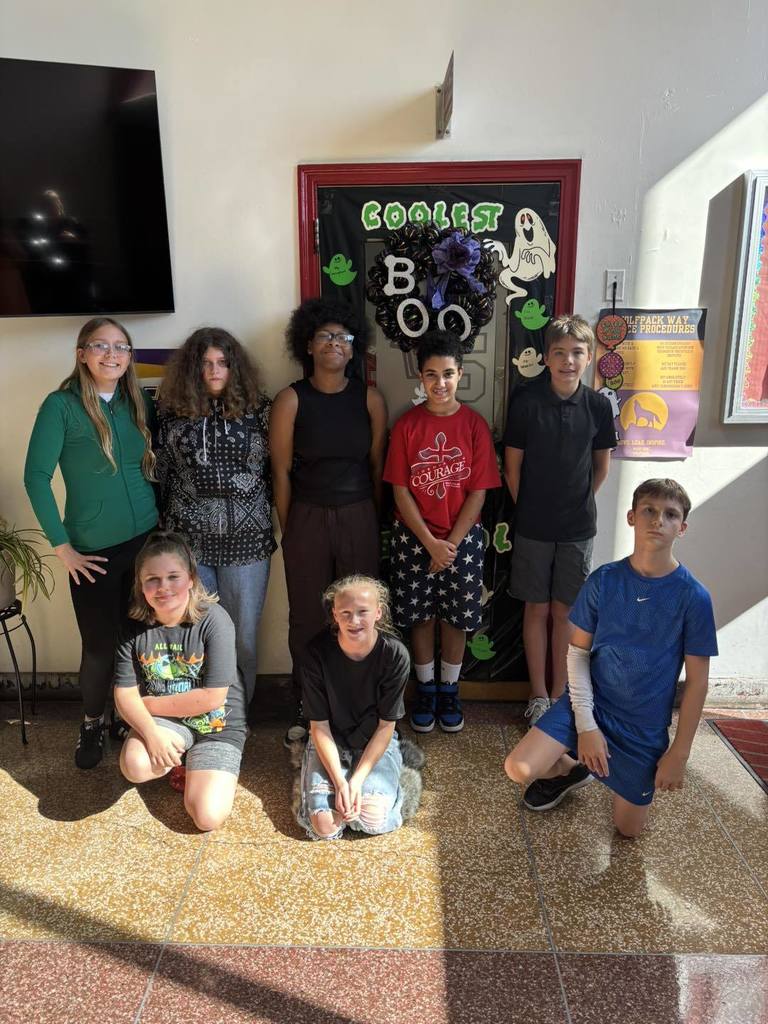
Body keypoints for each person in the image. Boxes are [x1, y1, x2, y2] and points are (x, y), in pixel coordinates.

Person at [504, 479, 718, 837]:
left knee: (628, 830)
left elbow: (697, 684)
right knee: (519, 767)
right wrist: (587, 726)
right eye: (649, 510)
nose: (658, 520)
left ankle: (608, 768)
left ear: (682, 528)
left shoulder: (693, 597)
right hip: (591, 705)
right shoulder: (604, 579)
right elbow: (578, 653)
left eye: (670, 515)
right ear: (632, 517)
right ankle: (572, 768)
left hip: (642, 727)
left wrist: (679, 754)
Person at [24, 317, 158, 768]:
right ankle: (92, 723)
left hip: (145, 544)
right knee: (100, 646)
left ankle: (131, 716)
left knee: (139, 637)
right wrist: (62, 547)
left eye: (121, 347)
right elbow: (36, 478)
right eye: (100, 345)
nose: (111, 354)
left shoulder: (135, 401)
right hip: (92, 553)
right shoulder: (59, 406)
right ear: (82, 353)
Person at [270, 298, 387, 745]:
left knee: (359, 614)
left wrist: (369, 518)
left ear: (354, 348)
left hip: (359, 513)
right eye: (325, 336)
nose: (335, 344)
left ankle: (359, 705)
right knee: (307, 616)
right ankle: (308, 703)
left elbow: (377, 466)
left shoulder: (370, 399)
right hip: (307, 517)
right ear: (309, 345)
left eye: (343, 337)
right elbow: (280, 472)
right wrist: (293, 526)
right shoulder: (290, 400)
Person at [383, 330, 501, 734]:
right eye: (431, 375)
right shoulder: (407, 426)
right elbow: (400, 489)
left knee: (455, 617)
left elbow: (479, 492)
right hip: (414, 537)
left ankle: (450, 688)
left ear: (461, 375)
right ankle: (427, 687)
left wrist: (448, 544)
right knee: (420, 617)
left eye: (447, 374)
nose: (440, 384)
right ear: (420, 377)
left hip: (461, 540)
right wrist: (430, 542)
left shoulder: (474, 426)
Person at [503, 314, 616, 728]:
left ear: (589, 358)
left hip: (577, 527)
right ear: (547, 357)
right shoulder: (527, 401)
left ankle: (558, 695)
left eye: (577, 353)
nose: (568, 360)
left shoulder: (599, 406)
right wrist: (530, 508)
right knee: (536, 609)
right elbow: (512, 466)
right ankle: (536, 694)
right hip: (533, 525)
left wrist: (578, 505)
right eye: (560, 353)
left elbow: (600, 467)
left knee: (564, 612)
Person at [155, 327, 275, 710]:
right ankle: (201, 714)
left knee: (243, 638)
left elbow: (277, 468)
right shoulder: (170, 412)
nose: (214, 370)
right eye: (205, 363)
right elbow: (160, 473)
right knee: (195, 635)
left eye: (222, 362)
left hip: (248, 544)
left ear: (234, 366)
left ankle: (236, 715)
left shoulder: (261, 409)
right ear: (192, 368)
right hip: (189, 544)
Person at [114, 531, 246, 832]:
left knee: (206, 817)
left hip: (217, 725)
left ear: (191, 579)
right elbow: (124, 695)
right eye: (152, 579)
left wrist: (146, 705)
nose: (164, 588)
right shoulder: (131, 628)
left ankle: (194, 769)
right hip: (168, 721)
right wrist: (151, 733)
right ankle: (180, 757)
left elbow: (212, 697)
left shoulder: (215, 620)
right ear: (140, 585)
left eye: (173, 576)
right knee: (133, 765)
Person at [296, 575, 410, 840]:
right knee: (326, 827)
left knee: (372, 819)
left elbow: (386, 725)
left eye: (363, 612)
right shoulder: (316, 653)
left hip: (374, 738)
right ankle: (322, 784)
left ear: (378, 613)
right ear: (334, 614)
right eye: (345, 613)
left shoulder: (395, 654)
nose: (354, 621)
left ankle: (390, 781)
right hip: (330, 739)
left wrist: (355, 782)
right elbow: (319, 725)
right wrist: (339, 781)